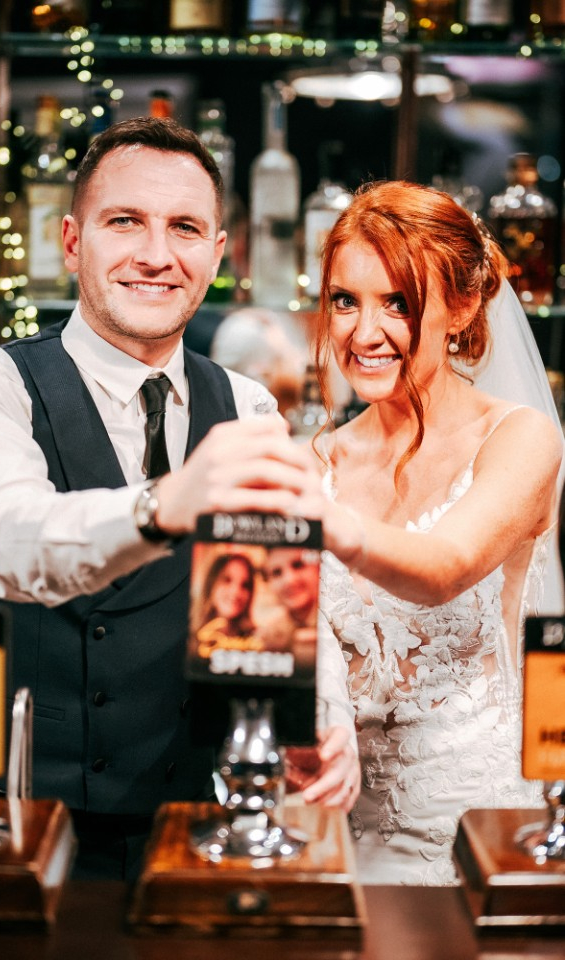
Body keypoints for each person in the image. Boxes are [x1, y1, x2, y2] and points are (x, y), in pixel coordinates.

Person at [0, 117, 359, 881]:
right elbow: (5, 543)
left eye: (185, 228)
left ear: (218, 253)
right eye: (125, 221)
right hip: (32, 828)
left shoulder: (250, 403)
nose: (157, 256)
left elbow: (283, 591)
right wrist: (166, 502)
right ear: (71, 240)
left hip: (201, 825)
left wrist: (327, 718)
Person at [309, 180, 564, 885]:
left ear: (462, 306)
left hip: (466, 832)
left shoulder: (519, 439)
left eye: (398, 303)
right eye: (345, 301)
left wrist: (310, 517)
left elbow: (446, 564)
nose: (363, 334)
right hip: (334, 826)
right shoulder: (320, 459)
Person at [194, 552, 261, 657]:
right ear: (211, 584)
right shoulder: (190, 637)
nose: (236, 591)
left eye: (245, 585)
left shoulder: (257, 642)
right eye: (227, 580)